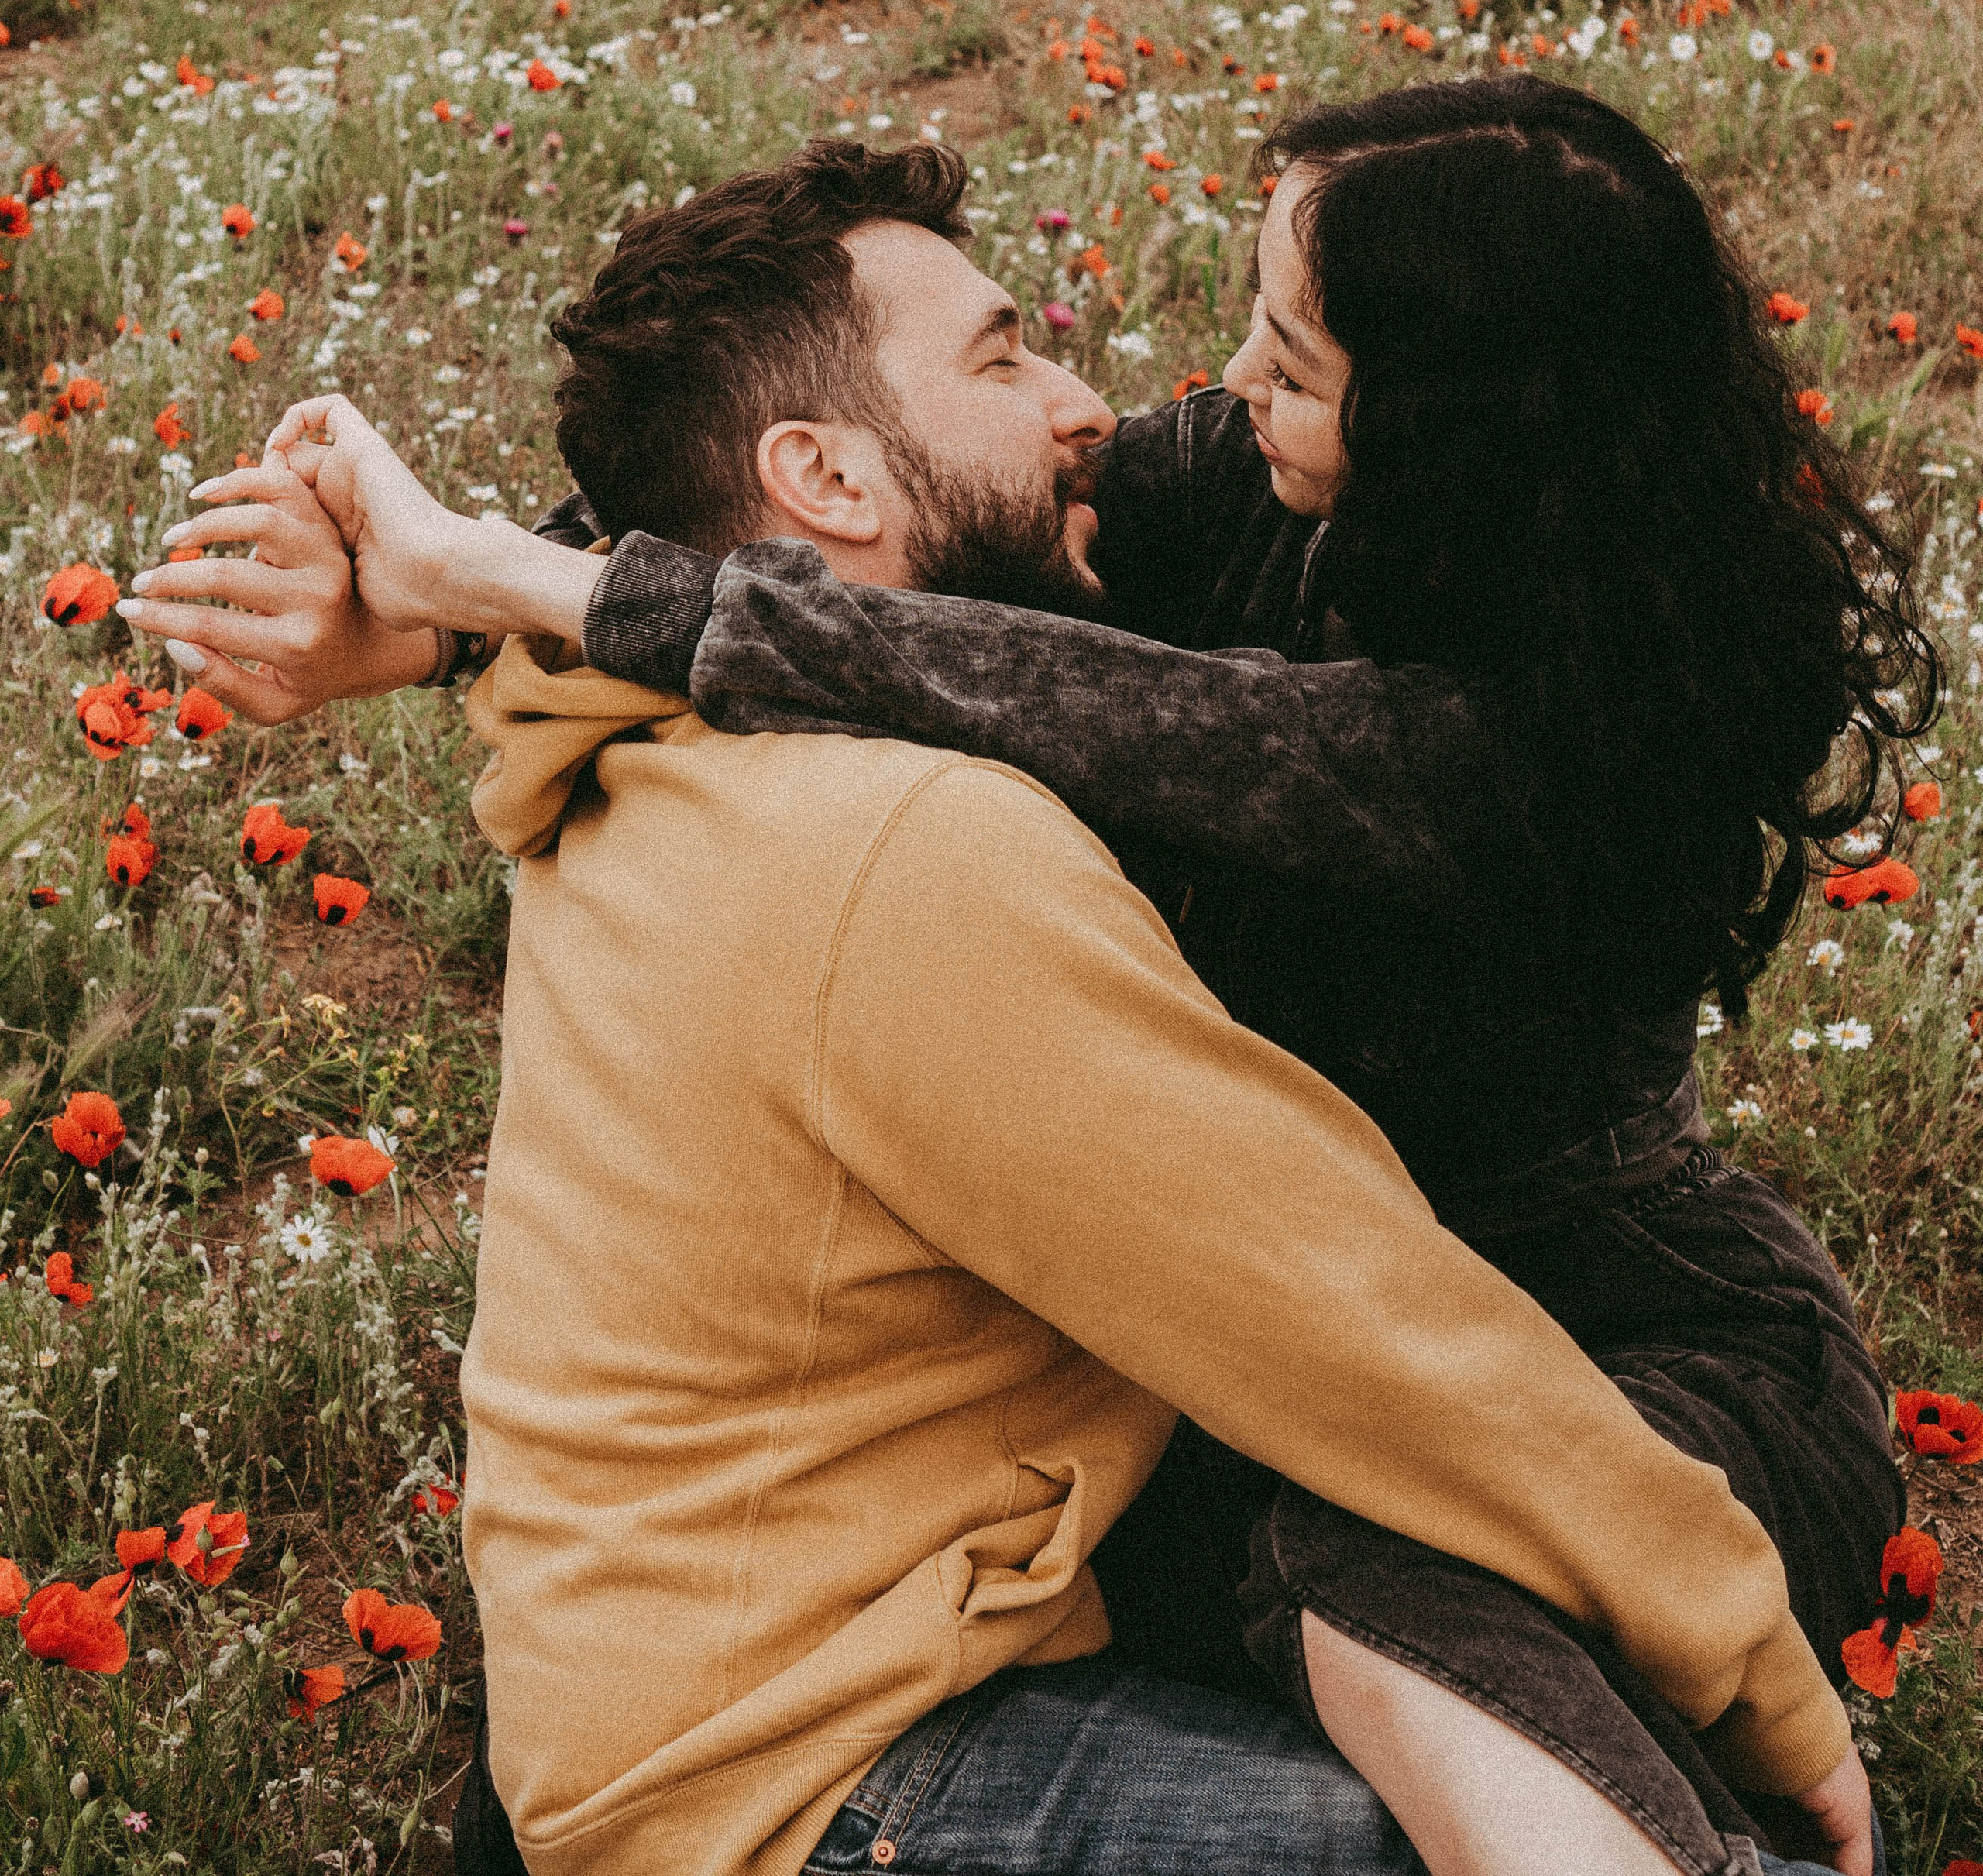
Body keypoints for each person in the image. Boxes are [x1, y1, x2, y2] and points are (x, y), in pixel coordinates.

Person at [118, 126, 1894, 1876]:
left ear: (1434, 433)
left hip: (1587, 1331)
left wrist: (500, 592)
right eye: (1006, 356)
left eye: (1289, 363)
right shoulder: (946, 805)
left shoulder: (1513, 756)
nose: (1129, 404)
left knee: (1390, 1586)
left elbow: (1015, 668)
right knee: (1360, 1612)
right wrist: (454, 605)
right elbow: (1338, 1308)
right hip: (1127, 1484)